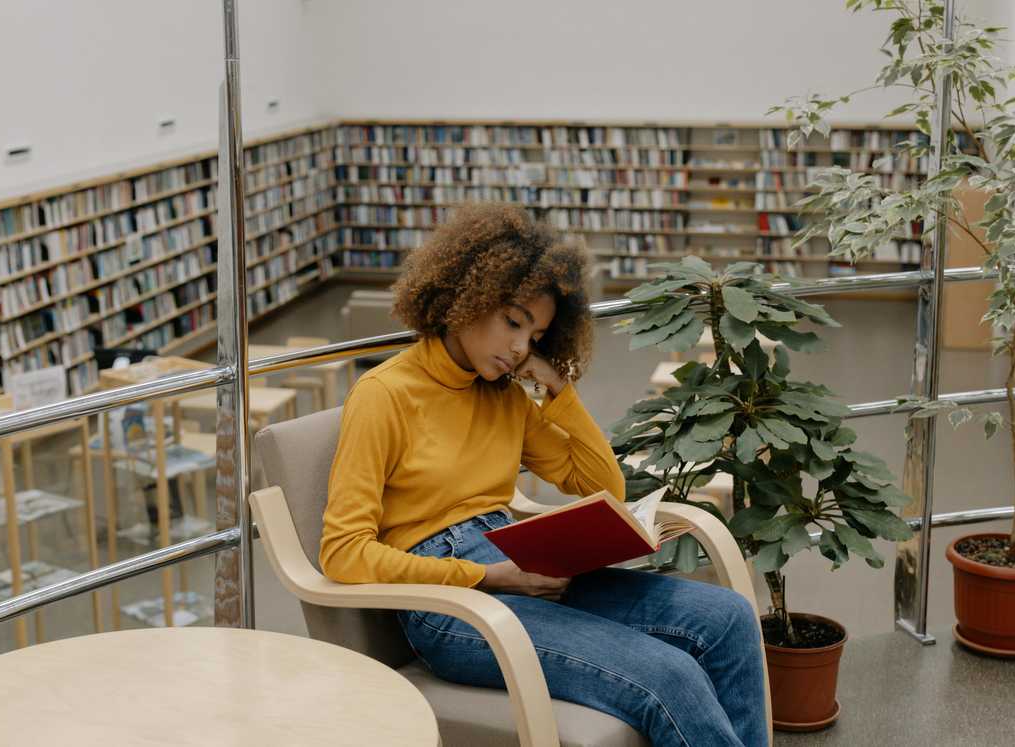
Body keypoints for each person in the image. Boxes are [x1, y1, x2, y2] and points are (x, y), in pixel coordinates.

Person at [319, 203, 768, 746]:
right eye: (513, 321)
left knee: (729, 618)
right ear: (466, 297)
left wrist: (561, 392)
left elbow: (604, 487)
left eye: (534, 336)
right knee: (669, 676)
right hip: (448, 604)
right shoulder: (385, 395)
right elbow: (342, 553)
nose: (519, 348)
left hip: (518, 561)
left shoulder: (505, 398)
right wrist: (487, 576)